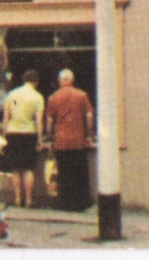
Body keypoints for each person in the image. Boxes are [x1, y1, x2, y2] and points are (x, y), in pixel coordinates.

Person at [44, 68, 95, 212]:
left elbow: (49, 119)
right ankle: (80, 203)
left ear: (60, 81)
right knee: (79, 173)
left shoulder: (54, 97)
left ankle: (64, 203)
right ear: (72, 80)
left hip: (61, 141)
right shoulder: (82, 95)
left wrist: (49, 136)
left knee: (64, 173)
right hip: (78, 140)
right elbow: (89, 116)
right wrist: (89, 134)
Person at [0, 69, 45, 207]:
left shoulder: (12, 96)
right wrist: (40, 139)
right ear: (36, 82)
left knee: (15, 169)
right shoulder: (37, 97)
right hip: (29, 134)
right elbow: (39, 121)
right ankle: (29, 200)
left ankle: (18, 199)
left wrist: (4, 136)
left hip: (13, 133)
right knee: (28, 169)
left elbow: (7, 117)